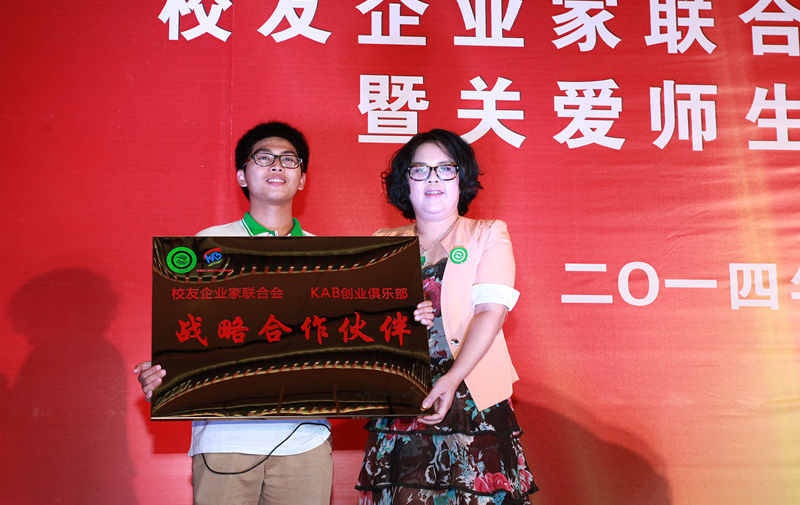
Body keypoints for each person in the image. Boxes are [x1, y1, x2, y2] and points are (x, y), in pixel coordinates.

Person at [136, 122, 331, 505]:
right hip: (224, 438)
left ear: (302, 178)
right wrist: (163, 373)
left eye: (289, 159)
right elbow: (187, 334)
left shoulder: (331, 257)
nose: (277, 165)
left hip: (305, 440)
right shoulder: (207, 246)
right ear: (242, 175)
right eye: (264, 157)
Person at [356, 129, 538, 504]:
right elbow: (364, 322)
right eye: (420, 170)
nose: (433, 179)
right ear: (405, 181)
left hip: (471, 398)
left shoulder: (487, 234)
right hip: (405, 401)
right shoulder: (383, 241)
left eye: (445, 168)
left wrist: (452, 379)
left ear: (461, 178)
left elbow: (491, 312)